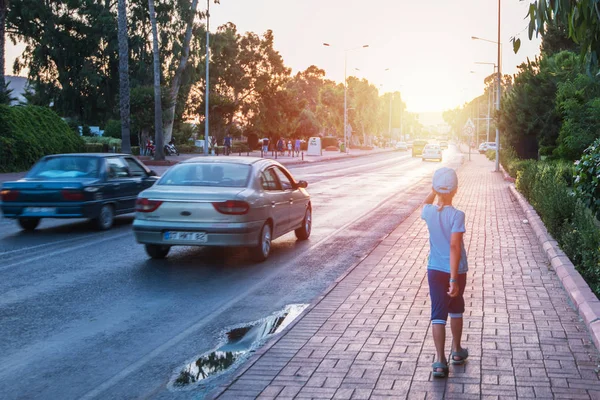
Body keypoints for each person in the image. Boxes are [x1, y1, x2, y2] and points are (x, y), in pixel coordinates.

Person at [421, 167, 469, 378]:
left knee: (437, 313)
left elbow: (425, 203)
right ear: (456, 190)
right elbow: (454, 247)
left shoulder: (429, 212)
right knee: (456, 307)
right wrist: (453, 278)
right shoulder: (457, 215)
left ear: (436, 189)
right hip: (455, 271)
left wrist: (433, 191)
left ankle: (440, 361)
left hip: (434, 269)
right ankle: (456, 351)